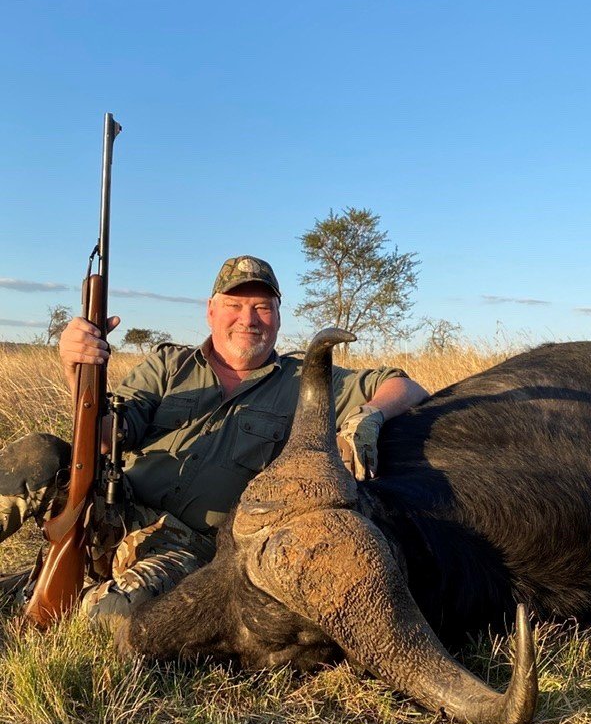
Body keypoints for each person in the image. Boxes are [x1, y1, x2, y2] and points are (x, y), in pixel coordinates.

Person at [0, 255, 428, 623]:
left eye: (262, 307)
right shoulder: (168, 365)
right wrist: (78, 370)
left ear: (278, 316)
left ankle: (42, 593)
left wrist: (369, 416)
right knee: (38, 453)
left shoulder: (308, 381)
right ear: (210, 310)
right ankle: (45, 580)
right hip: (115, 504)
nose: (248, 319)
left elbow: (406, 387)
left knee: (111, 618)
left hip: (192, 548)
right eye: (234, 304)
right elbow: (108, 437)